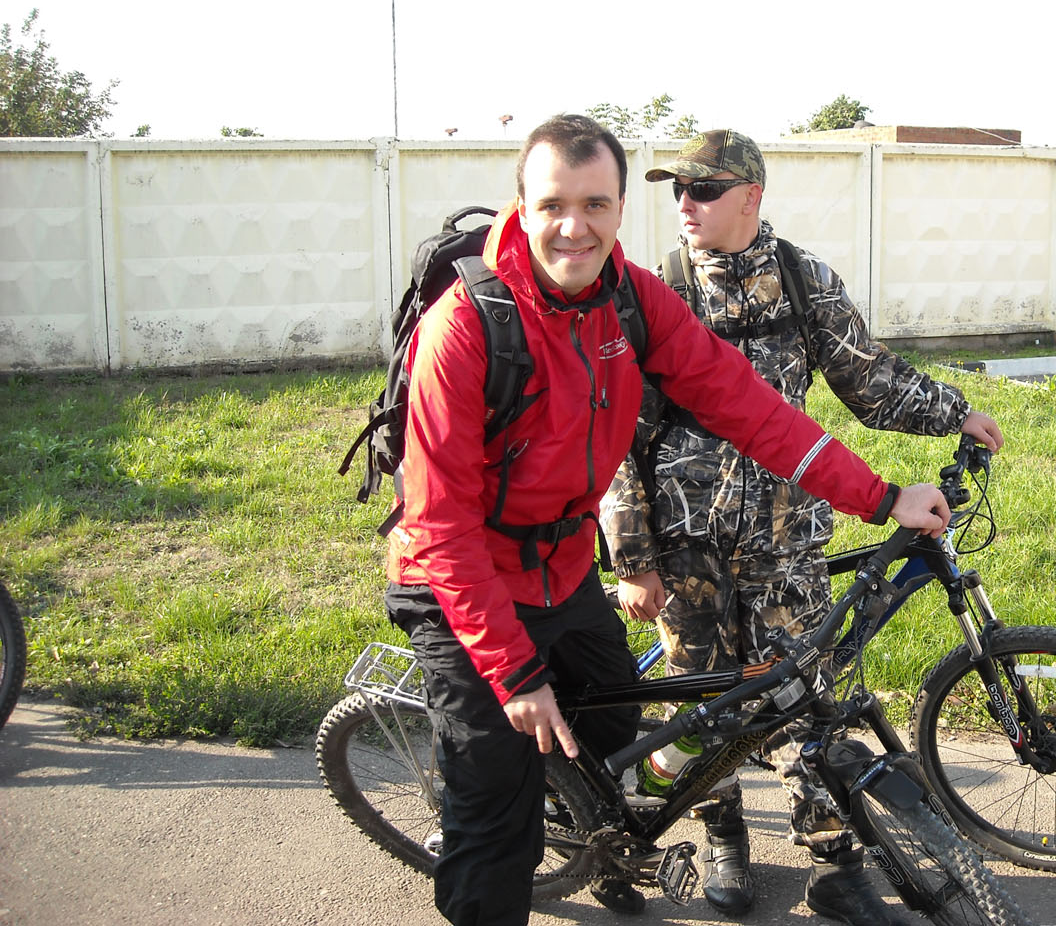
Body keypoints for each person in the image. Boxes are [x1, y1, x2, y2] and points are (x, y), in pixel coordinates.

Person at [382, 114, 955, 926]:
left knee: (615, 732)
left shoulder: (631, 301)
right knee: (494, 817)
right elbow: (442, 524)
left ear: (619, 207)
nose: (573, 226)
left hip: (559, 570)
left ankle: (598, 846)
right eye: (552, 205)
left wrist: (879, 495)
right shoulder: (466, 327)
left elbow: (752, 409)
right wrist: (514, 674)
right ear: (522, 205)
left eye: (594, 204)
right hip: (458, 582)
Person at [601, 129, 1004, 924]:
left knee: (805, 693)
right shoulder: (655, 293)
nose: (685, 203)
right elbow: (615, 438)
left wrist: (953, 412)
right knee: (707, 700)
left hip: (785, 535)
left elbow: (868, 376)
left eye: (703, 188)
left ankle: (830, 854)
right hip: (687, 545)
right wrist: (633, 555)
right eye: (677, 189)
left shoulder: (802, 279)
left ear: (750, 195)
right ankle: (723, 834)